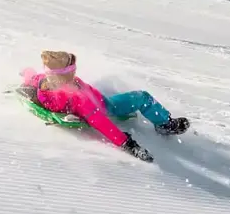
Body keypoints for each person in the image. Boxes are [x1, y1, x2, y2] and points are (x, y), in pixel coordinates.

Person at [18, 50, 190, 162]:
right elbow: (101, 122)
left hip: (95, 100)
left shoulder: (42, 81)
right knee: (142, 97)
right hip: (106, 106)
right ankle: (165, 124)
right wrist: (128, 144)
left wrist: (26, 72)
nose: (74, 74)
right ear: (62, 77)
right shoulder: (77, 98)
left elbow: (31, 76)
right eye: (71, 73)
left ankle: (163, 123)